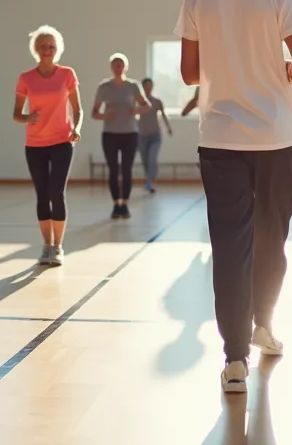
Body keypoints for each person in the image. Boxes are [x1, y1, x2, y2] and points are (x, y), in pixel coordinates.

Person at [176, 0, 292, 393]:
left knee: (229, 245)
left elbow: (190, 72)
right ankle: (264, 326)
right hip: (276, 136)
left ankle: (235, 361)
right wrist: (281, 70)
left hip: (219, 137)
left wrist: (225, 60)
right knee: (271, 238)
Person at [15, 25, 82, 268]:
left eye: (51, 46)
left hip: (62, 141)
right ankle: (47, 246)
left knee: (57, 192)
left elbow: (77, 109)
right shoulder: (26, 78)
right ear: (36, 49)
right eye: (43, 46)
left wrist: (76, 128)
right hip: (35, 144)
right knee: (42, 194)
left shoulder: (67, 75)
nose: (47, 50)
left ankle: (59, 247)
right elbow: (16, 114)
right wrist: (26, 118)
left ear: (57, 50)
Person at [92, 54, 149, 219]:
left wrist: (136, 111)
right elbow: (94, 112)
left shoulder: (133, 86)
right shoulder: (104, 87)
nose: (118, 68)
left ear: (126, 67)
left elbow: (146, 105)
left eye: (121, 65)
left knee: (126, 169)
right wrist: (104, 116)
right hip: (110, 134)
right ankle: (116, 203)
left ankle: (125, 203)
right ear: (111, 67)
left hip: (130, 133)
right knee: (113, 170)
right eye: (115, 65)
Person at [137, 78, 173, 193]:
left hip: (155, 135)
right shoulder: (137, 101)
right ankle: (149, 179)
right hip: (141, 136)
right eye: (146, 86)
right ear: (142, 88)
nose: (148, 89)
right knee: (145, 161)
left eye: (150, 86)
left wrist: (168, 128)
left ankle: (150, 182)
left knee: (152, 158)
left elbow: (163, 115)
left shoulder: (157, 102)